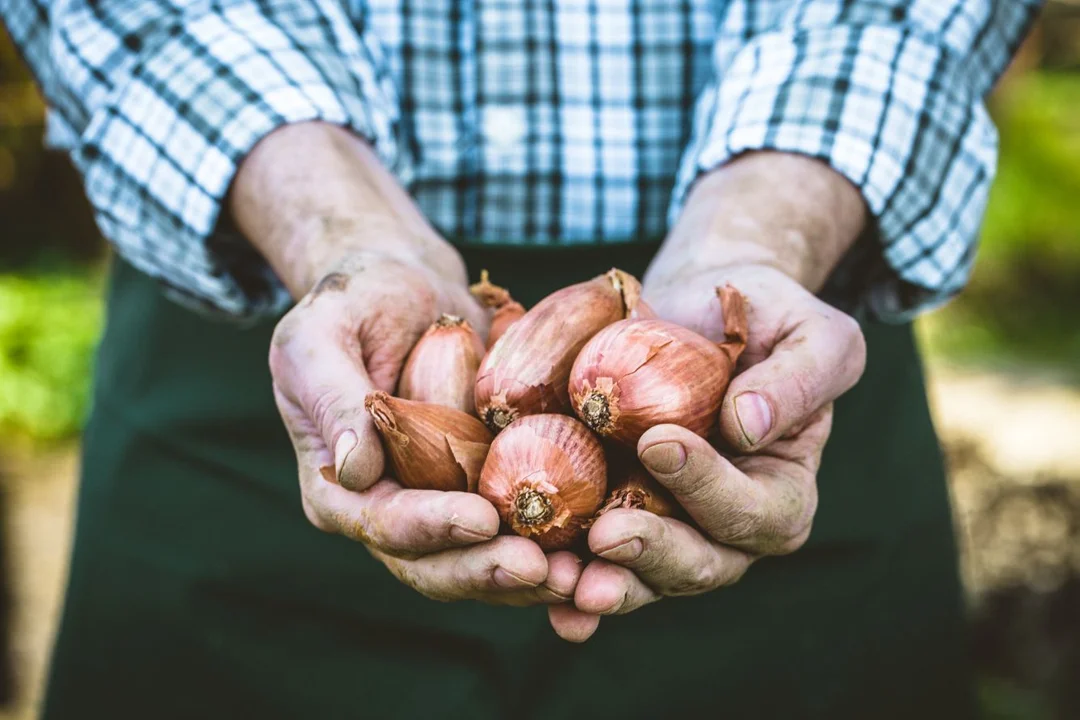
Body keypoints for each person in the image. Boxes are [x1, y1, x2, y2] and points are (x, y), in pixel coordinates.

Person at [2, 0, 1039, 717]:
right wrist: (333, 229)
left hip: (776, 319)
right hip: (290, 327)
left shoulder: (715, 333)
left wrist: (761, 235)